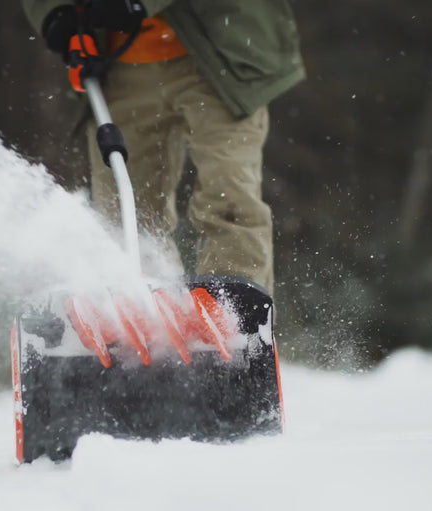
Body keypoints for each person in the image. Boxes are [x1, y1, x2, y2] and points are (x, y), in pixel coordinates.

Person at [21, 0, 305, 294]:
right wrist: (54, 11)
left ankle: (232, 311)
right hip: (118, 65)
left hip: (222, 52)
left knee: (229, 195)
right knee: (125, 218)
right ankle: (148, 310)